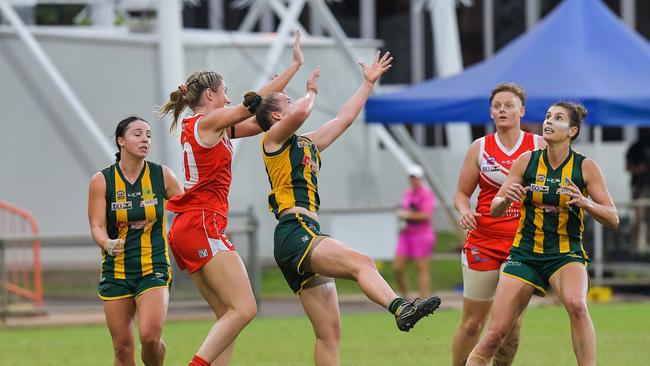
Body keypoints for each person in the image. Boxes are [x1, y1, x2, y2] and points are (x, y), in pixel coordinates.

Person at [248, 51, 441, 365]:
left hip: (304, 232)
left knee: (329, 333)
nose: (294, 101)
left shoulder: (305, 143)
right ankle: (400, 308)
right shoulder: (272, 139)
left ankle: (399, 308)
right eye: (287, 100)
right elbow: (301, 113)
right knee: (362, 261)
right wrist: (311, 92)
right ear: (276, 117)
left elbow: (344, 119)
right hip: (294, 231)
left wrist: (368, 83)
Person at [158, 32, 304, 366]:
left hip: (189, 226)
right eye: (224, 93)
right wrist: (293, 69)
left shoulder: (210, 126)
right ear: (210, 94)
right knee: (245, 308)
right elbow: (251, 104)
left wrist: (292, 71)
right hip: (201, 223)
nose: (228, 98)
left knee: (227, 315)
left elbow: (257, 120)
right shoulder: (208, 121)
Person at [466, 102, 619, 366]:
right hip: (524, 254)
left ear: (572, 130)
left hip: (565, 254)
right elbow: (495, 208)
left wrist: (586, 203)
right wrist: (504, 200)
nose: (548, 122)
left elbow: (612, 217)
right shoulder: (526, 161)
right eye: (548, 116)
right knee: (494, 334)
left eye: (558, 118)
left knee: (577, 305)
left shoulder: (585, 167)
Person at [451, 83, 545, 366]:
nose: (502, 110)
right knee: (472, 324)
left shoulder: (538, 145)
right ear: (491, 112)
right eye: (497, 106)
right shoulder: (479, 147)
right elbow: (461, 193)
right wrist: (463, 210)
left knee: (511, 324)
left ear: (522, 111)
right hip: (483, 241)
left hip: (521, 246)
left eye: (509, 105)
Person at [88, 116, 183, 366]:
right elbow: (96, 226)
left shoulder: (162, 175)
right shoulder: (102, 180)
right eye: (138, 134)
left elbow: (187, 208)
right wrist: (107, 243)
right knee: (122, 348)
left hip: (154, 268)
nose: (145, 139)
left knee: (150, 337)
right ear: (121, 141)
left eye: (149, 135)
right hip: (116, 271)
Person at [394, 164, 436, 300]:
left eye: (415, 178)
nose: (413, 180)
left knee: (421, 268)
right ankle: (405, 298)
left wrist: (406, 215)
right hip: (406, 234)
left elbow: (426, 215)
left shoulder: (426, 194)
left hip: (421, 234)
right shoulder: (407, 193)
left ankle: (424, 300)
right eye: (411, 178)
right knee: (398, 267)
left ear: (420, 179)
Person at [625, 128, 650, 251]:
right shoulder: (635, 148)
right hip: (640, 186)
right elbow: (628, 167)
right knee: (639, 217)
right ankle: (635, 246)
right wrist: (638, 169)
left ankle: (646, 246)